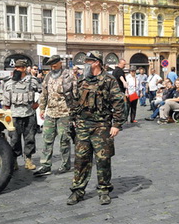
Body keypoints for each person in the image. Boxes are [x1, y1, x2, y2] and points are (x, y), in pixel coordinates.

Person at [67, 51, 125, 205]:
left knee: (103, 159)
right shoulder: (81, 80)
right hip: (82, 125)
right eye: (85, 61)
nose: (85, 64)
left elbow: (118, 102)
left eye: (89, 61)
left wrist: (117, 124)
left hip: (101, 125)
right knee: (81, 160)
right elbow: (74, 100)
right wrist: (72, 119)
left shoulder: (109, 79)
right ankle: (77, 191)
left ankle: (104, 190)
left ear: (97, 62)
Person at [33, 55, 77, 177]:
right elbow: (44, 93)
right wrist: (42, 108)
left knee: (64, 139)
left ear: (60, 63)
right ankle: (46, 165)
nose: (53, 66)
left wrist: (74, 112)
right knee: (47, 139)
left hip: (64, 113)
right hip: (51, 113)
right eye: (51, 64)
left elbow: (75, 94)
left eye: (55, 64)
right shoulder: (48, 76)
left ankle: (65, 164)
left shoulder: (69, 75)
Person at [3, 60, 41, 171]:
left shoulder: (32, 81)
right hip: (14, 115)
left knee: (29, 139)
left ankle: (28, 160)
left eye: (20, 67)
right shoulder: (8, 82)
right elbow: (2, 97)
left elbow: (43, 92)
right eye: (16, 67)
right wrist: (6, 108)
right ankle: (14, 161)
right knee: (14, 139)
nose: (17, 69)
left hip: (28, 114)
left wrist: (37, 103)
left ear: (25, 68)